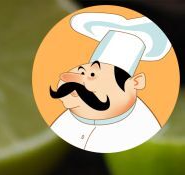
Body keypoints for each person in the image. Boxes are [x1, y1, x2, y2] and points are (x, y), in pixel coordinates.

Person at [49, 12, 172, 154]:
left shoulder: (143, 128)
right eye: (81, 72)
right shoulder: (65, 118)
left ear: (135, 83)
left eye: (93, 75)